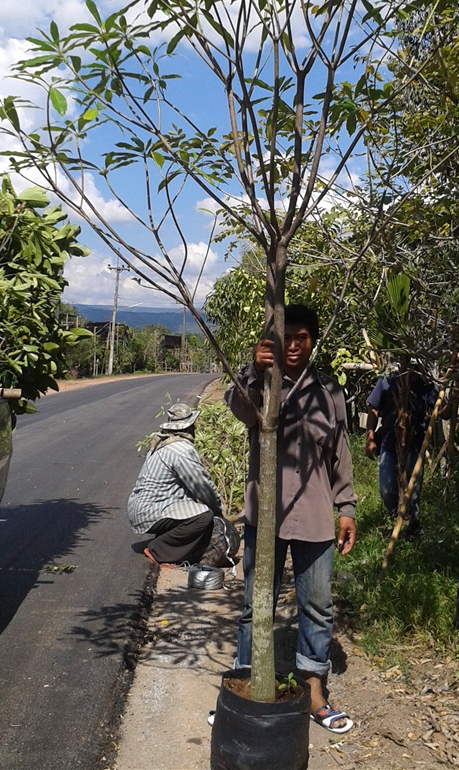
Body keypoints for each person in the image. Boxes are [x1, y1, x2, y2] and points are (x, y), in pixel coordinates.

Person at [224, 304, 357, 735]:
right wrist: (252, 370)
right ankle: (242, 686)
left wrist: (347, 508)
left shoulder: (329, 391)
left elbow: (340, 453)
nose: (295, 346)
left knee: (316, 607)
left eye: (302, 337)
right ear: (274, 344)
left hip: (315, 517)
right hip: (265, 517)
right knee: (253, 606)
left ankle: (314, 692)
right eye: (287, 339)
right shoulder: (262, 385)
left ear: (313, 341)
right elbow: (238, 408)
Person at [127, 402, 222, 565]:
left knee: (191, 507)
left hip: (140, 508)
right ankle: (158, 549)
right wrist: (218, 510)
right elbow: (203, 487)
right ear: (189, 426)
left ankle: (166, 538)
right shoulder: (181, 450)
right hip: (148, 511)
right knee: (203, 516)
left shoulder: (163, 442)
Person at [364, 363, 443, 535]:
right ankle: (395, 519)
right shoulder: (388, 380)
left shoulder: (427, 385)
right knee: (386, 489)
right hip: (389, 443)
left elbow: (441, 411)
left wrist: (453, 400)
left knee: (413, 492)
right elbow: (373, 407)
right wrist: (370, 436)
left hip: (415, 445)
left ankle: (412, 528)